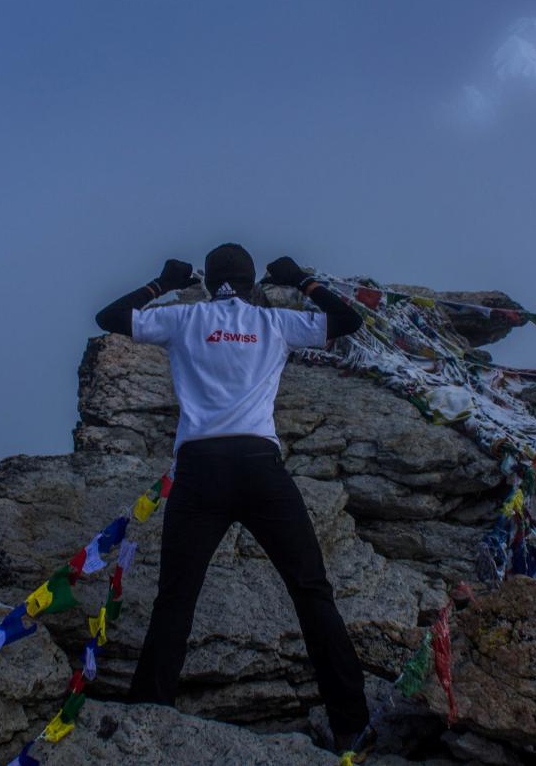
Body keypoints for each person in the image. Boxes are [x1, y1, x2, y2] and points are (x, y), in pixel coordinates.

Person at [95, 243, 376, 756]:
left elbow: (109, 316)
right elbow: (348, 322)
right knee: (311, 592)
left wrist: (164, 282)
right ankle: (351, 725)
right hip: (258, 466)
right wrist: (303, 279)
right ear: (252, 283)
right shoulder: (275, 323)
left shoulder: (185, 317)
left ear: (208, 283)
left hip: (200, 470)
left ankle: (144, 720)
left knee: (175, 600)